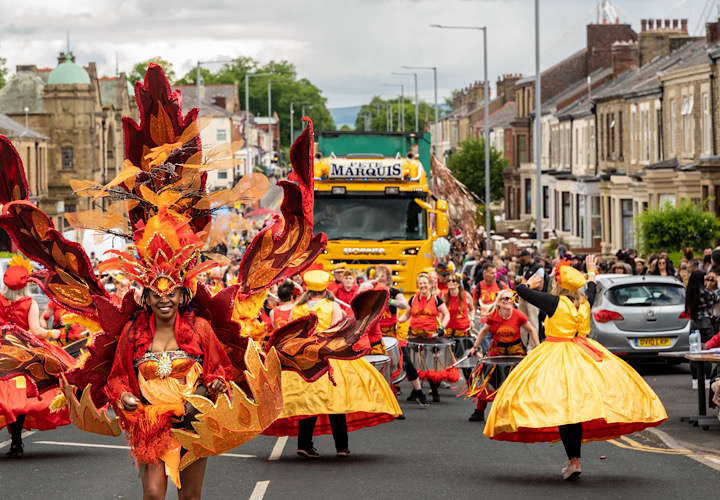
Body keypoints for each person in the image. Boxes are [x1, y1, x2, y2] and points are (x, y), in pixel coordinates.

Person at [484, 256, 667, 480]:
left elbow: (519, 291)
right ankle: (574, 460)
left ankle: (574, 460)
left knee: (561, 408)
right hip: (585, 355)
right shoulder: (585, 301)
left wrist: (530, 284)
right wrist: (591, 272)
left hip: (558, 356)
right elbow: (591, 287)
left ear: (559, 285)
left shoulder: (554, 302)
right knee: (578, 408)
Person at [264, 269, 401, 457]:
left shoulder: (297, 308)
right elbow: (340, 333)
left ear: (308, 290)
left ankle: (304, 444)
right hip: (331, 360)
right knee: (337, 402)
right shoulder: (332, 307)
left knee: (307, 403)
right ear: (324, 289)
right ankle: (342, 447)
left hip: (304, 362)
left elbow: (291, 333)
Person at [0, 255, 68, 458]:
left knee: (6, 395)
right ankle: (16, 441)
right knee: (22, 395)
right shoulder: (29, 303)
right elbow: (36, 330)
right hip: (22, 351)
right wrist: (52, 334)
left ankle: (15, 441)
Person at [466, 289, 538, 422]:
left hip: (515, 353)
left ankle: (518, 413)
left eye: (510, 298)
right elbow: (483, 332)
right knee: (488, 383)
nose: (508, 301)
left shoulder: (519, 315)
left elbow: (531, 330)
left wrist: (537, 348)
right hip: (497, 353)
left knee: (516, 385)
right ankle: (479, 411)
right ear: (499, 302)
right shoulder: (493, 316)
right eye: (504, 298)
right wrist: (475, 347)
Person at [398, 273, 450, 402]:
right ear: (418, 285)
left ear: (430, 284)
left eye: (425, 283)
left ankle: (434, 391)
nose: (423, 285)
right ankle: (417, 390)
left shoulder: (436, 299)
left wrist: (442, 327)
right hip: (414, 336)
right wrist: (398, 322)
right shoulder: (413, 298)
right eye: (420, 283)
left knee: (429, 363)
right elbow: (406, 315)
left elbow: (446, 314)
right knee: (414, 363)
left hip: (430, 337)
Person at [684, 270, 719, 389]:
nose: (707, 281)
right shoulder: (706, 292)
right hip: (706, 324)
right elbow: (716, 297)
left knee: (695, 352)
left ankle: (695, 379)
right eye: (705, 279)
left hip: (693, 324)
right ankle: (707, 379)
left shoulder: (689, 292)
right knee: (707, 353)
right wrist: (715, 284)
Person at [444, 272, 475, 382]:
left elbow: (472, 309)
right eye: (448, 280)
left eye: (453, 281)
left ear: (458, 284)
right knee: (444, 361)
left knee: (465, 363)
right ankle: (436, 390)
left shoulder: (465, 295)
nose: (450, 283)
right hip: (447, 333)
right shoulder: (443, 296)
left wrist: (471, 320)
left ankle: (471, 387)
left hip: (462, 333)